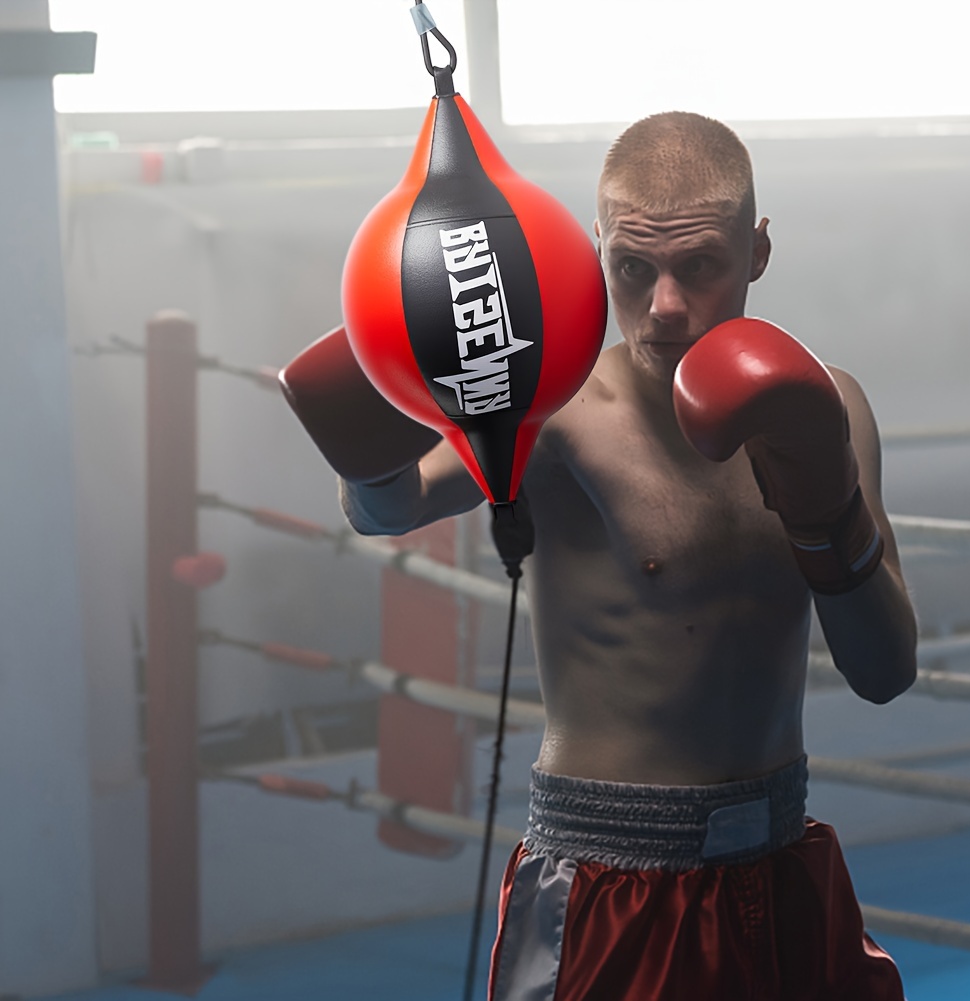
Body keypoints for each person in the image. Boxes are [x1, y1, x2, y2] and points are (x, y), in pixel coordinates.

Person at [283, 111, 918, 1000]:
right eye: (632, 267)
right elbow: (391, 507)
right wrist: (370, 428)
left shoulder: (826, 405)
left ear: (757, 250)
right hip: (613, 885)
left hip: (780, 868)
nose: (664, 304)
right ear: (594, 252)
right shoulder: (554, 401)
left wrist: (827, 512)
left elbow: (884, 669)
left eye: (698, 266)